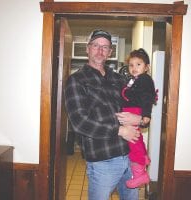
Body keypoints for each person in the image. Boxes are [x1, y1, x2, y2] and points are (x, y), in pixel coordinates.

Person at [64, 29, 142, 200]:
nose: (100, 50)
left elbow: (136, 105)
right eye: (96, 45)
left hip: (130, 156)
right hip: (103, 160)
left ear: (110, 52)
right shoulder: (76, 80)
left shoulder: (118, 79)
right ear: (88, 48)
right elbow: (80, 122)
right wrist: (120, 130)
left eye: (105, 47)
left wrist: (141, 119)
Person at [120, 48, 157, 188]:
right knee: (135, 139)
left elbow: (148, 97)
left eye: (138, 64)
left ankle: (141, 174)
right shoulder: (135, 79)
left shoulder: (145, 79)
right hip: (130, 111)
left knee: (133, 141)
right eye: (131, 65)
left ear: (146, 67)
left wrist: (146, 115)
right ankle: (141, 166)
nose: (134, 68)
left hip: (134, 112)